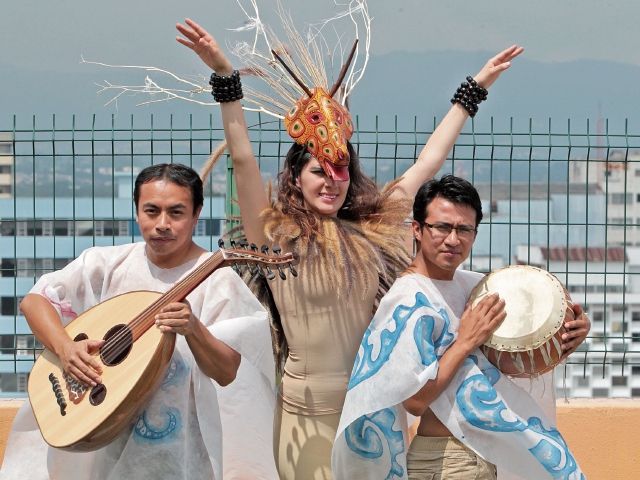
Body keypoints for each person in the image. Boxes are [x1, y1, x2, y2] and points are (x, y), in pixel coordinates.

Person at [176, 16, 523, 480]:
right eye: (319, 171)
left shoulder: (373, 233)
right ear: (295, 178)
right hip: (304, 418)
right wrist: (224, 75)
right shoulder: (273, 239)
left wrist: (472, 91)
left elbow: (427, 163)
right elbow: (242, 157)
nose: (332, 181)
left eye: (340, 170)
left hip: (372, 412)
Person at [0, 163, 278, 480]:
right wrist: (65, 348)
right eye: (151, 211)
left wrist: (193, 329)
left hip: (178, 455)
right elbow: (34, 302)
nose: (162, 224)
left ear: (196, 214)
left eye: (176, 213)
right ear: (136, 212)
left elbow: (227, 372)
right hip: (101, 441)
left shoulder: (218, 282)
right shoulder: (105, 264)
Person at [332, 175, 590, 480]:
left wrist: (564, 338)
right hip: (444, 462)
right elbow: (414, 400)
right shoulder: (408, 298)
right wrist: (465, 340)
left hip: (478, 456)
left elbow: (505, 361)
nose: (453, 239)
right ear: (417, 229)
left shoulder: (472, 286)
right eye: (442, 227)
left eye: (464, 229)